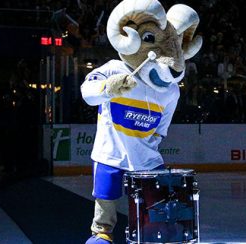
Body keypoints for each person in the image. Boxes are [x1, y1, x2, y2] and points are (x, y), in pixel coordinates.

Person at [80, 0, 202, 243]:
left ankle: (149, 235)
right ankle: (102, 233)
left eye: (177, 43)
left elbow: (162, 128)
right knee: (105, 200)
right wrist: (109, 87)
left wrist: (150, 144)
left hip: (147, 160)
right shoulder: (114, 68)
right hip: (110, 155)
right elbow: (88, 92)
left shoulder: (170, 91)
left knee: (154, 209)